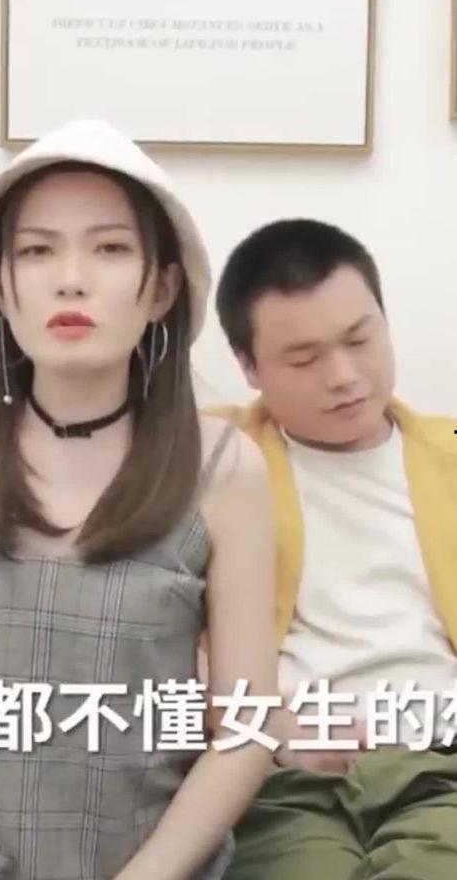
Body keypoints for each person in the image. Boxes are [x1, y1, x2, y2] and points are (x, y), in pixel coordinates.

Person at [0, 119, 277, 880]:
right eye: (38, 251)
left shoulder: (225, 469)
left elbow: (246, 730)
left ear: (161, 287)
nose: (71, 280)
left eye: (109, 249)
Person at [212, 218, 457, 880]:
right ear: (248, 366)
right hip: (283, 778)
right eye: (304, 359)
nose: (345, 376)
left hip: (440, 764)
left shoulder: (449, 455)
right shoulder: (214, 461)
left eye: (360, 339)